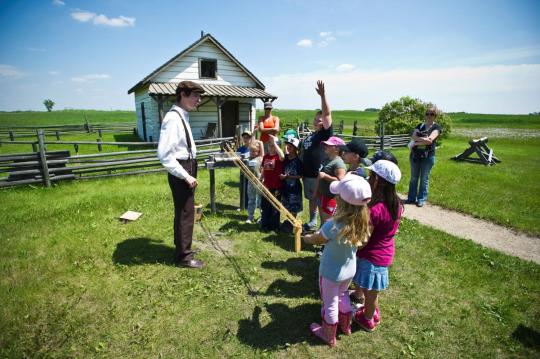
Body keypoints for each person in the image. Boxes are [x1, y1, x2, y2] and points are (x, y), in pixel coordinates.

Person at [304, 174, 372, 346]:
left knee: (330, 303)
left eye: (337, 195)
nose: (334, 197)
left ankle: (328, 335)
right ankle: (346, 326)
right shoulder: (362, 222)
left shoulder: (333, 225)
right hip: (349, 270)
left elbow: (318, 239)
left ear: (342, 202)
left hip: (330, 272)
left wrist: (307, 238)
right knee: (343, 295)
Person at [157, 81, 205, 269]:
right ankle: (184, 257)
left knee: (186, 211)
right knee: (186, 213)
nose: (198, 100)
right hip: (182, 168)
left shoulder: (181, 115)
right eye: (195, 96)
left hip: (187, 165)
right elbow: (164, 155)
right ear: (182, 95)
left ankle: (182, 250)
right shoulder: (173, 119)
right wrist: (185, 175)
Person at [352, 160, 403, 331]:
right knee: (371, 290)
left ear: (378, 181)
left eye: (371, 176)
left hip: (372, 256)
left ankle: (367, 319)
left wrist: (354, 247)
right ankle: (372, 311)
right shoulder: (396, 203)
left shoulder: (376, 210)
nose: (368, 178)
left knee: (371, 292)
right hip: (385, 251)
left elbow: (365, 238)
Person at [300, 81, 333, 232]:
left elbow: (327, 114)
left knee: (320, 201)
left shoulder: (325, 135)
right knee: (311, 199)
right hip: (307, 175)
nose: (317, 121)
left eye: (320, 119)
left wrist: (323, 95)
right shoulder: (311, 135)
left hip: (318, 175)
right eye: (315, 119)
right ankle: (312, 222)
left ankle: (322, 228)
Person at [406, 107, 442, 207]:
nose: (429, 116)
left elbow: (430, 140)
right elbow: (413, 136)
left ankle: (421, 199)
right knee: (413, 177)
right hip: (415, 155)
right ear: (425, 115)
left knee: (424, 179)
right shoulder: (420, 125)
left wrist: (417, 142)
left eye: (432, 114)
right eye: (427, 113)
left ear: (435, 116)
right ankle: (411, 198)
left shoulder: (436, 128)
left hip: (428, 156)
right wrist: (423, 140)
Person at [316, 136, 347, 223]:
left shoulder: (338, 163)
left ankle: (325, 235)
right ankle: (322, 233)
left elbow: (341, 181)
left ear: (337, 149)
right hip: (324, 195)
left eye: (329, 145)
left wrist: (325, 176)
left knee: (328, 221)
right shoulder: (326, 159)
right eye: (325, 144)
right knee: (324, 220)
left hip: (332, 198)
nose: (325, 146)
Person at [260, 135, 284, 232]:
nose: (271, 147)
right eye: (269, 145)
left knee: (275, 207)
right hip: (266, 185)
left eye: (273, 145)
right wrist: (261, 178)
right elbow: (263, 169)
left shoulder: (278, 157)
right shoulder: (266, 156)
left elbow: (282, 156)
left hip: (276, 186)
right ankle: (265, 225)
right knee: (265, 206)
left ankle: (275, 226)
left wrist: (275, 142)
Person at [279, 137, 303, 232]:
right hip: (285, 186)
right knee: (286, 204)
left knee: (294, 206)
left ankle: (292, 222)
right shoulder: (285, 158)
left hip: (294, 187)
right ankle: (288, 221)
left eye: (291, 146)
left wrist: (288, 177)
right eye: (288, 146)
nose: (288, 148)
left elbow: (300, 175)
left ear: (296, 149)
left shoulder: (298, 161)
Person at [240, 130, 264, 223]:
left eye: (255, 151)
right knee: (251, 199)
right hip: (250, 181)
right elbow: (250, 144)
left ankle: (262, 216)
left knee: (261, 200)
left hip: (259, 180)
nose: (252, 152)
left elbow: (262, 153)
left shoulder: (260, 158)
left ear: (258, 151)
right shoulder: (249, 158)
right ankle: (250, 216)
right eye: (251, 151)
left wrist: (254, 133)